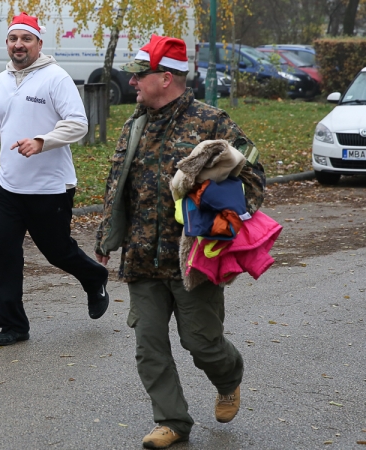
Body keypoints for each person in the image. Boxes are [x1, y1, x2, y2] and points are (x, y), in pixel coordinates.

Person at [94, 35, 265, 449]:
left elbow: (254, 182)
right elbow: (119, 185)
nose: (133, 83)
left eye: (140, 75)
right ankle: (171, 420)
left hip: (192, 259)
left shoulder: (212, 122)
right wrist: (106, 236)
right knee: (148, 345)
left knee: (201, 343)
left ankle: (228, 378)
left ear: (165, 78)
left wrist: (210, 191)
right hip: (140, 255)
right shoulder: (134, 123)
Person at [0, 12, 110, 347]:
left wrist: (42, 141)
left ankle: (94, 276)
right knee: (3, 255)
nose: (18, 45)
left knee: (57, 252)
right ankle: (13, 325)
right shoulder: (1, 82)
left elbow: (78, 124)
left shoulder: (56, 78)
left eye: (26, 39)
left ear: (39, 43)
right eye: (13, 39)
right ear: (6, 43)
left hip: (50, 188)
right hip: (8, 187)